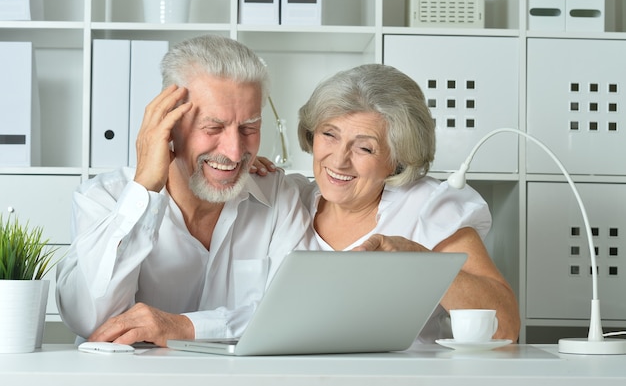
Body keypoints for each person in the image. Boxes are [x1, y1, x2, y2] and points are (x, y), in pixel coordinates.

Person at [55, 35, 314, 347]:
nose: (234, 153)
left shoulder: (278, 197)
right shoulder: (103, 199)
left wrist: (183, 327)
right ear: (168, 124)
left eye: (249, 128)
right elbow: (91, 320)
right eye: (212, 128)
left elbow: (298, 316)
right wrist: (145, 190)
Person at [273, 63, 520, 342]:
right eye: (329, 134)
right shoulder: (289, 200)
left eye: (365, 148)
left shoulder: (429, 208)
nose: (339, 159)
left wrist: (420, 263)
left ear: (398, 160)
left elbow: (505, 326)